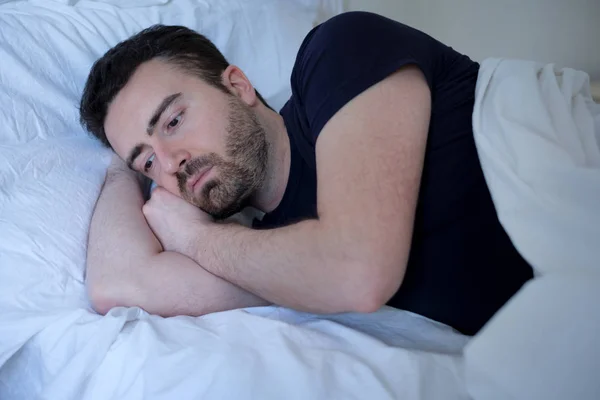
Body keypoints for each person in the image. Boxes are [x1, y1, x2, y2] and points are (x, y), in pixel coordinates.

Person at [79, 11, 533, 336]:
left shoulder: (338, 52)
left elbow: (357, 271)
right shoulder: (269, 253)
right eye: (149, 161)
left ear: (237, 85)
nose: (171, 162)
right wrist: (123, 166)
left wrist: (195, 239)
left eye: (174, 121)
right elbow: (116, 285)